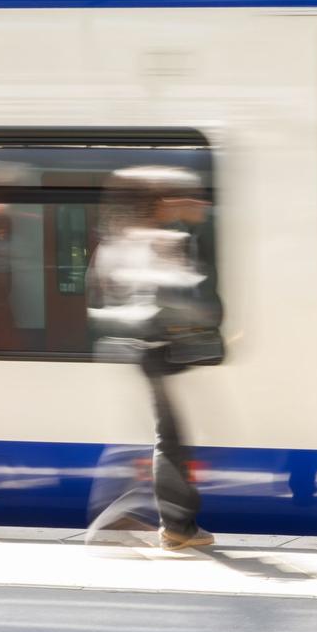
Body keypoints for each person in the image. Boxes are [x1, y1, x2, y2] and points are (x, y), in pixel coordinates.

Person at [87, 166, 222, 551]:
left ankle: (151, 521)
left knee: (162, 436)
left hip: (136, 351)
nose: (193, 203)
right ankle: (175, 525)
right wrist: (200, 323)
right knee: (170, 439)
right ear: (161, 201)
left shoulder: (118, 239)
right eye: (182, 196)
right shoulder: (157, 240)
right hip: (155, 352)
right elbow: (174, 297)